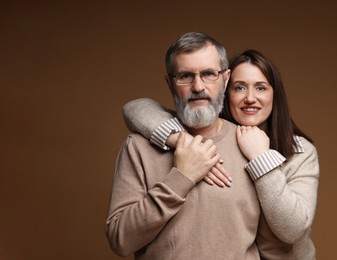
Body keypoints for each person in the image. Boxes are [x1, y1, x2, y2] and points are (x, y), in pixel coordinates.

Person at [105, 32, 290, 259]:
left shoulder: (253, 146)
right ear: (170, 83)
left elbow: (273, 247)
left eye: (209, 74)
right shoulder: (138, 147)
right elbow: (120, 240)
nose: (198, 86)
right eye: (185, 76)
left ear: (225, 78)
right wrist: (181, 178)